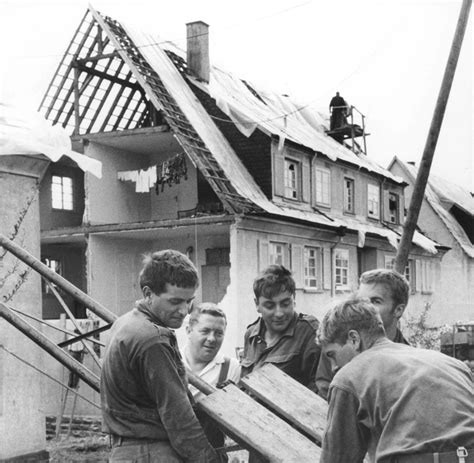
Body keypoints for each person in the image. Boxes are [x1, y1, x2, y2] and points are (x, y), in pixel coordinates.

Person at [318, 297, 474, 463]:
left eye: (332, 355)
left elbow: (337, 459)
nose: (333, 367)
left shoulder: (348, 378)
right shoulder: (451, 364)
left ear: (354, 339)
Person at [100, 250, 219, 462]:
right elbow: (178, 417)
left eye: (188, 301)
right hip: (153, 453)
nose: (184, 311)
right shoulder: (153, 339)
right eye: (174, 302)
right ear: (148, 293)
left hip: (126, 452)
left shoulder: (125, 323)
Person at [315, 268, 410, 399]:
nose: (366, 307)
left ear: (398, 310)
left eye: (375, 301)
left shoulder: (407, 357)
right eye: (361, 301)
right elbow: (325, 391)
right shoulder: (339, 344)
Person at [241, 264, 320, 392]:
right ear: (257, 305)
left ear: (294, 299)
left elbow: (318, 389)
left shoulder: (309, 332)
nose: (279, 313)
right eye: (270, 306)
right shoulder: (251, 335)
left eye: (285, 304)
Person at [182, 303, 241, 462]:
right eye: (205, 331)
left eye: (219, 333)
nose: (212, 339)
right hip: (170, 455)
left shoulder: (231, 368)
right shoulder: (171, 361)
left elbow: (235, 423)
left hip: (212, 456)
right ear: (189, 331)